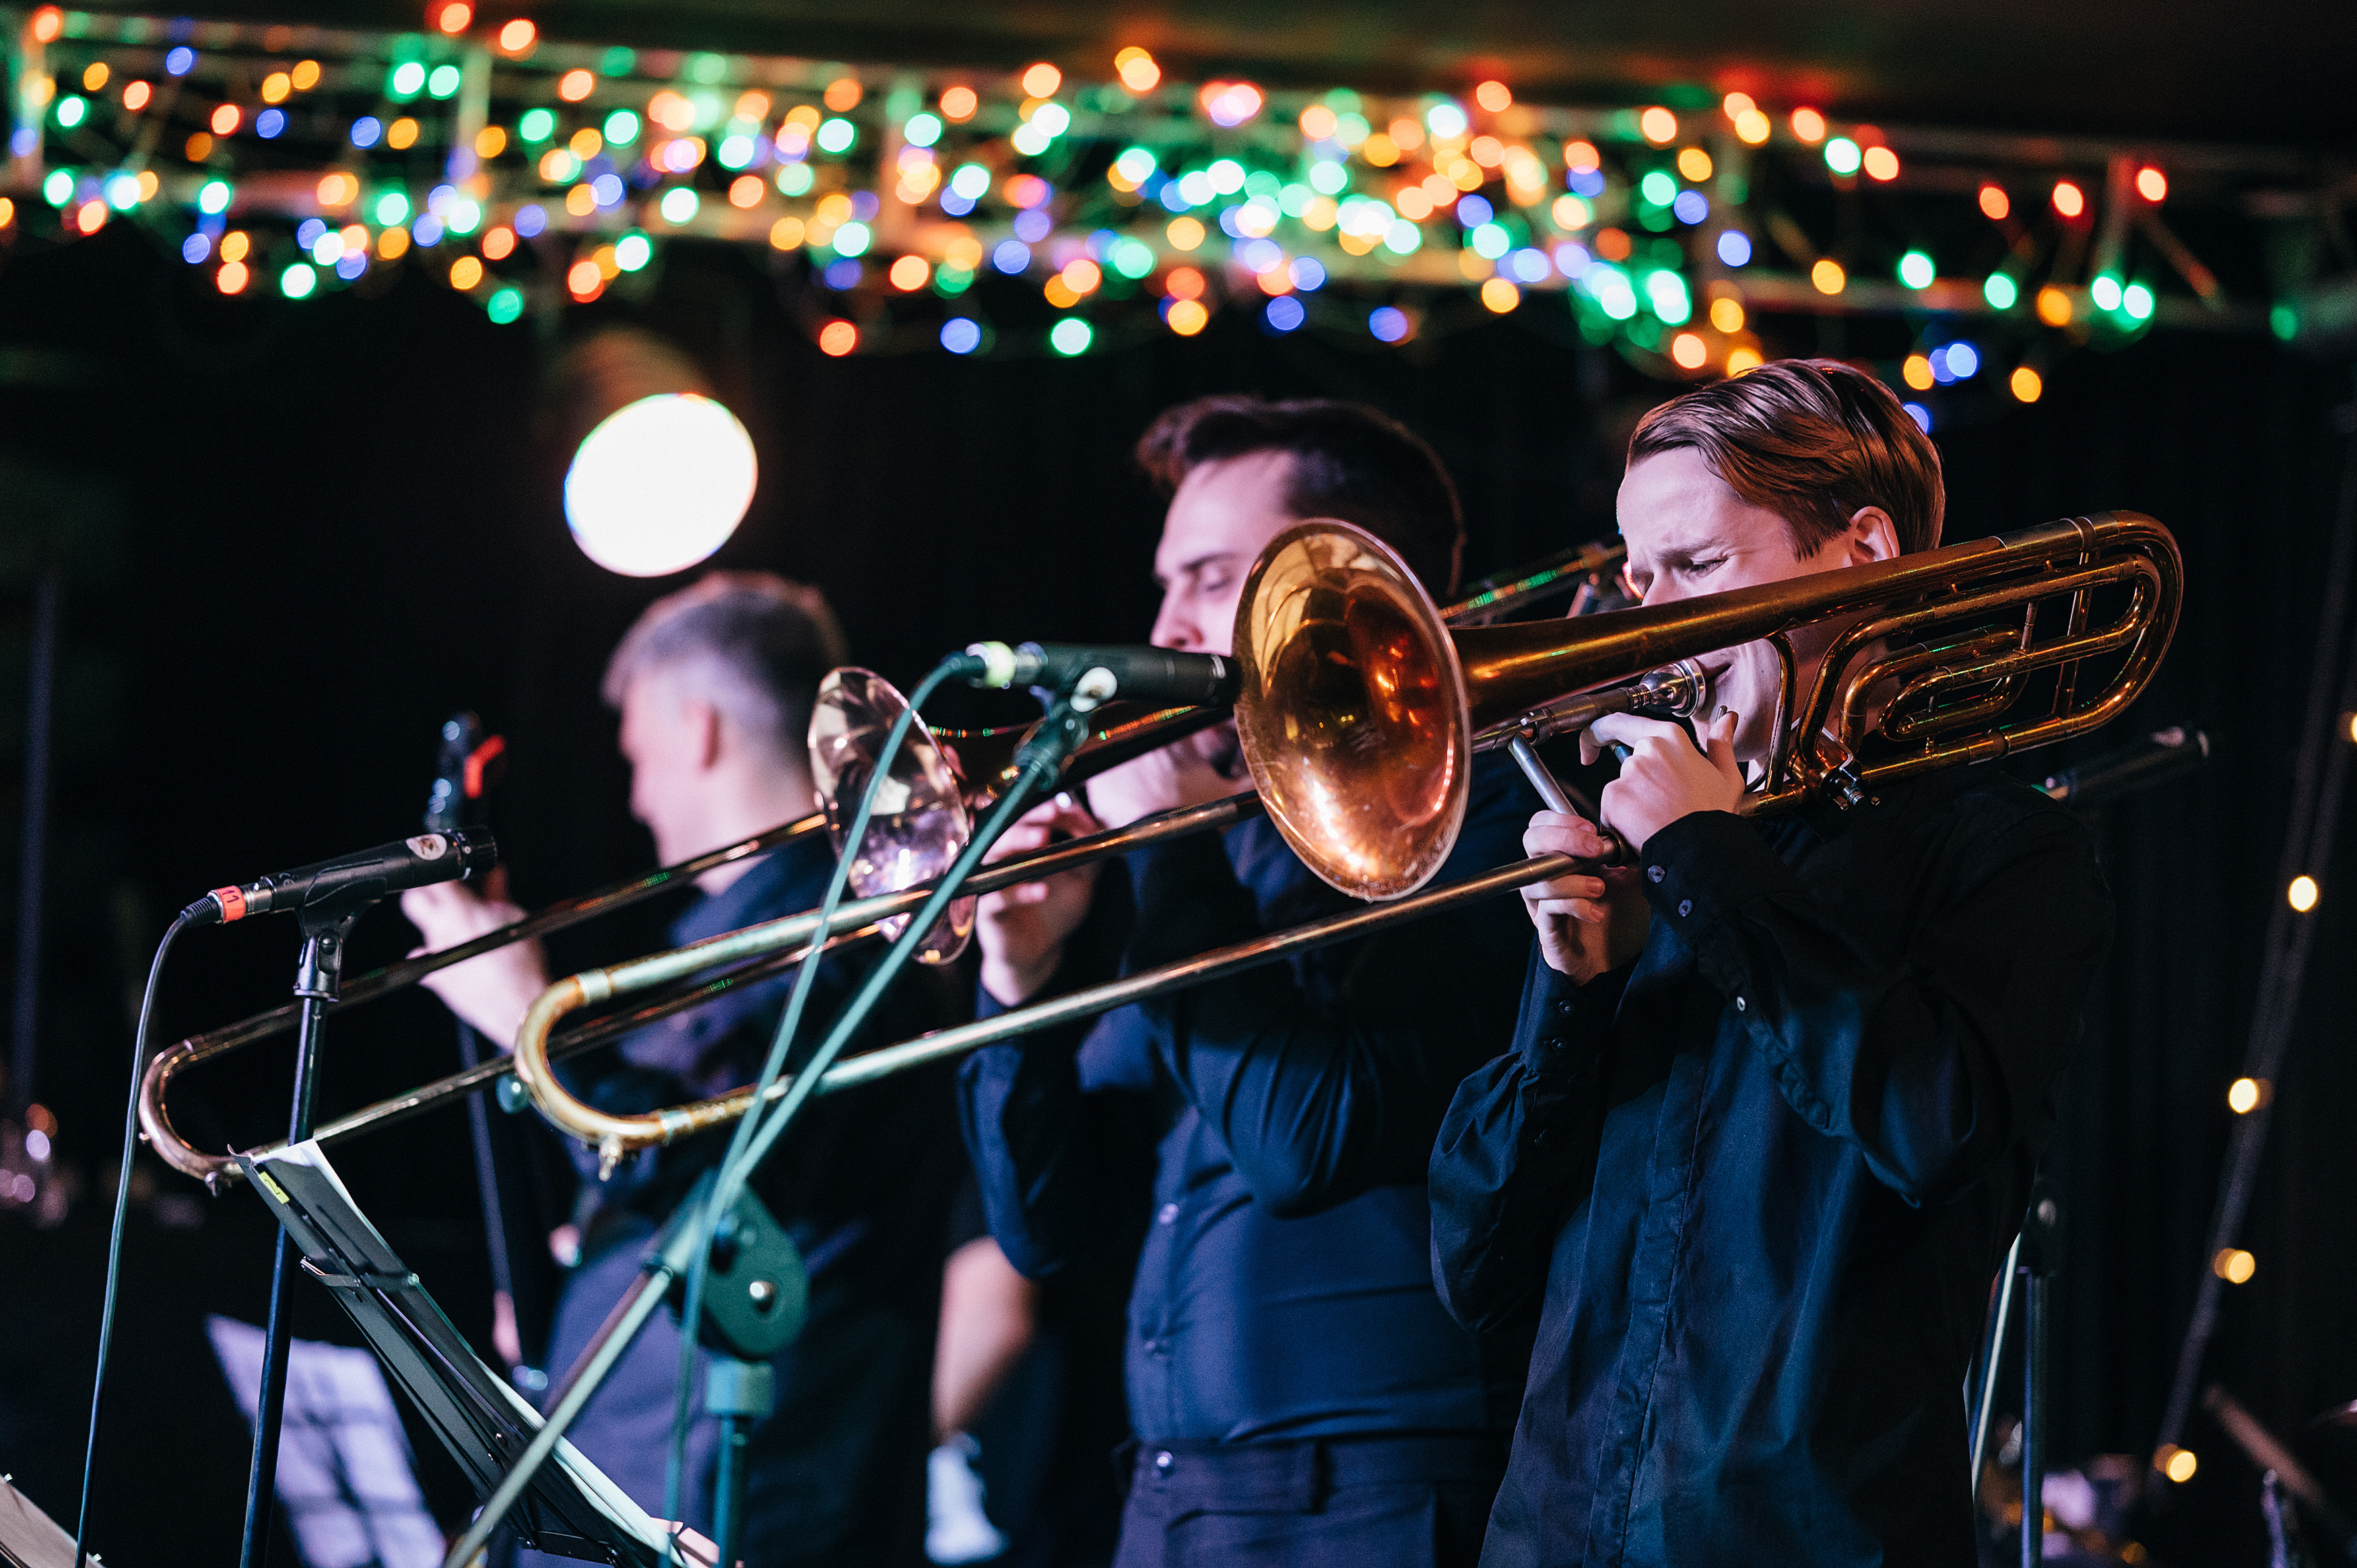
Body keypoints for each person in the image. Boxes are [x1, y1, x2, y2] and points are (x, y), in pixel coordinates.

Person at [1427, 360, 2116, 1566]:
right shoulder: (1652, 872)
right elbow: (1475, 1272)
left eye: (1696, 570)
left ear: (1860, 553)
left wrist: (1710, 859)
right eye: (1640, 577)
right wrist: (1573, 992)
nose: (1651, 620)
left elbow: (1933, 1126)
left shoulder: (2006, 850)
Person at [956, 396, 1537, 1568]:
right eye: (1167, 581)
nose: (1164, 627)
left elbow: (1306, 1143)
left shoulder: (1490, 823)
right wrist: (1018, 984)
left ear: (1344, 590)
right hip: (1173, 1497)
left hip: (1383, 1493)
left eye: (1211, 578)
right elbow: (1050, 1232)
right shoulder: (1224, 858)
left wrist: (1169, 853)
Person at [403, 572, 964, 1568]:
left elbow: (722, 1173)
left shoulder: (841, 934)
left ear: (696, 727)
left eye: (640, 758)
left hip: (740, 1491)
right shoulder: (726, 942)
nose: (636, 796)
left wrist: (523, 1014)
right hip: (647, 1467)